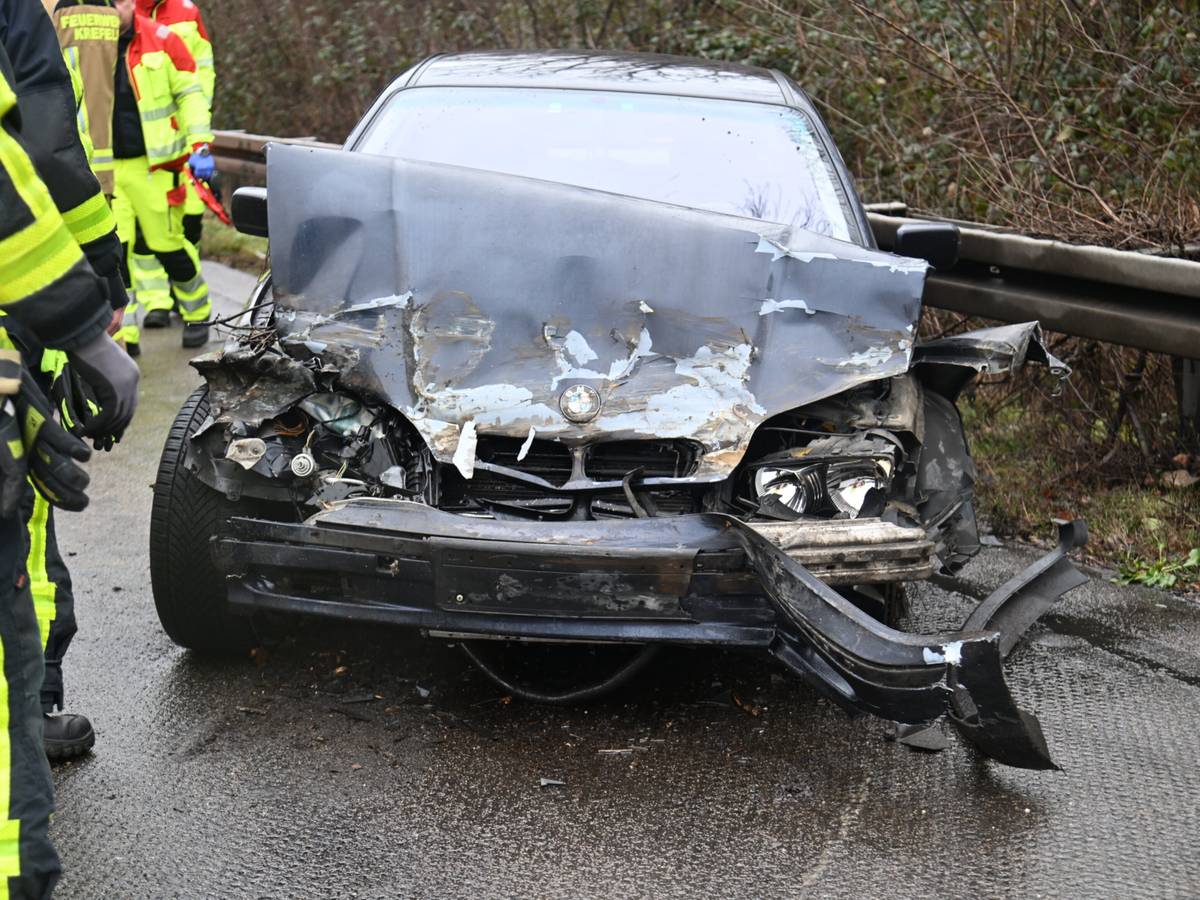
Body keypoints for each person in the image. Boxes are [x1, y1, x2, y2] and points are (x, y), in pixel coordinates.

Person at [1, 0, 140, 891]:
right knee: (37, 515)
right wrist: (92, 308)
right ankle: (41, 697)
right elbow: (48, 149)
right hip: (34, 286)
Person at [109, 0, 213, 350]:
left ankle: (197, 311)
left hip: (154, 167)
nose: (116, 8)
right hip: (108, 168)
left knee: (168, 246)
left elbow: (191, 94)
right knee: (116, 255)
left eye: (122, 1)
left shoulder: (163, 39)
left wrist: (200, 144)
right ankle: (127, 334)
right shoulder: (90, 47)